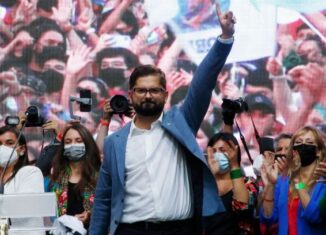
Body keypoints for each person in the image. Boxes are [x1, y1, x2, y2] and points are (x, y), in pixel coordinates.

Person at [89, 2, 235, 235]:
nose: (148, 95)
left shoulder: (182, 123)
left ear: (165, 94)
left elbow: (203, 81)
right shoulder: (115, 142)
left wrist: (224, 39)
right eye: (141, 90)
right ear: (131, 95)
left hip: (179, 229)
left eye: (155, 90)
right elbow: (104, 200)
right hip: (130, 231)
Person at [260, 126, 326, 235]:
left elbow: (315, 216)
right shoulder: (284, 181)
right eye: (299, 142)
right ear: (293, 150)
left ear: (318, 151)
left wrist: (297, 181)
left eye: (309, 142)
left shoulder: (322, 182)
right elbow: (268, 219)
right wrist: (271, 184)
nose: (303, 145)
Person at [46, 123, 101, 228]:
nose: (73, 145)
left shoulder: (100, 176)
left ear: (87, 144)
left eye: (78, 141)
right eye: (68, 142)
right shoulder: (55, 178)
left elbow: (109, 207)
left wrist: (91, 215)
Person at [205, 132, 259, 235]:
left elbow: (243, 208)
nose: (217, 155)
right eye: (214, 151)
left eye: (222, 150)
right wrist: (212, 175)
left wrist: (234, 165)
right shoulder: (205, 185)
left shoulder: (248, 182)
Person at [0, 125, 44, 235]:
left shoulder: (31, 172)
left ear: (22, 149)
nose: (2, 148)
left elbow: (24, 207)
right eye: (0, 144)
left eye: (9, 143)